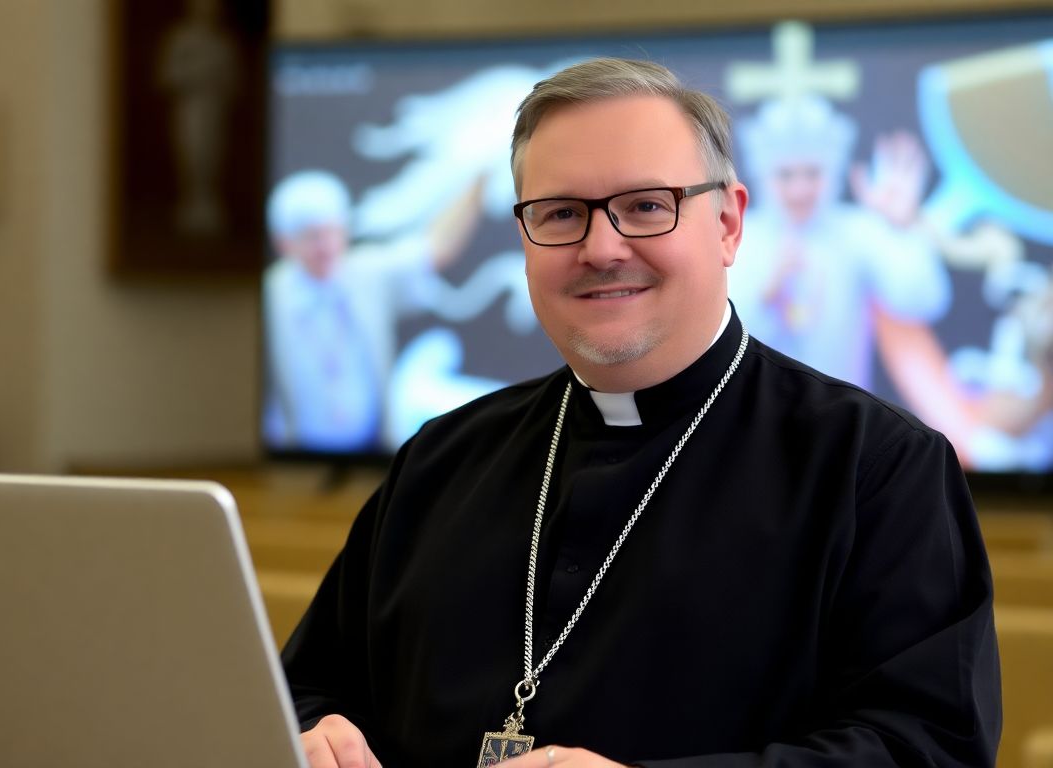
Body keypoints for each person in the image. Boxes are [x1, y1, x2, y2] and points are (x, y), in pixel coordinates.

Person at [281, 58, 1001, 767]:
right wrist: (311, 734)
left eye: (646, 206)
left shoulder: (877, 468)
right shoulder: (440, 460)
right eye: (560, 214)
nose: (602, 248)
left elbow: (926, 747)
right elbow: (305, 688)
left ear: (727, 223)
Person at [727, 95, 952, 390]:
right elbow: (717, 344)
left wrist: (903, 230)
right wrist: (769, 294)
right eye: (786, 175)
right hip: (754, 421)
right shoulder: (738, 237)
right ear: (763, 175)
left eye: (812, 173)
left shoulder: (857, 230)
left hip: (846, 422)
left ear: (832, 172)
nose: (800, 189)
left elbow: (921, 302)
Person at [263, 169, 481, 453]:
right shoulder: (269, 294)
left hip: (372, 453)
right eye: (313, 236)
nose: (327, 246)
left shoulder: (366, 274)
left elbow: (436, 248)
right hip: (291, 461)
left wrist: (479, 174)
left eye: (333, 231)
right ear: (284, 242)